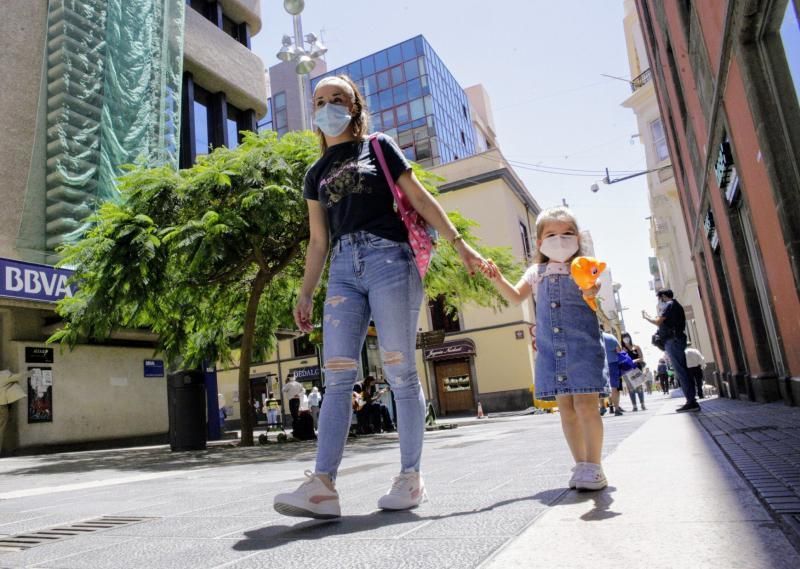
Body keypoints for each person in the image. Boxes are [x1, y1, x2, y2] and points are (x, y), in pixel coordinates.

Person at [273, 75, 492, 519]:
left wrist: (459, 243)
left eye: (338, 98)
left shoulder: (379, 146)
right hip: (342, 270)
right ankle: (322, 486)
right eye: (320, 100)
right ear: (313, 112)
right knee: (336, 377)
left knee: (400, 373)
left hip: (389, 259)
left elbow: (421, 198)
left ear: (354, 107)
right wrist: (305, 293)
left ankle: (410, 478)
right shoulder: (314, 174)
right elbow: (318, 241)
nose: (328, 105)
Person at [485, 206, 610, 491]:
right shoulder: (535, 272)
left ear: (578, 238)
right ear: (539, 243)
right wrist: (496, 278)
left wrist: (591, 289)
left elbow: (593, 286)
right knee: (566, 408)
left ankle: (595, 466)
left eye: (567, 233)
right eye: (552, 234)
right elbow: (516, 296)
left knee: (586, 405)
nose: (560, 239)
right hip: (552, 350)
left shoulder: (583, 267)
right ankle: (581, 465)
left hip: (583, 347)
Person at [643, 289, 700, 412]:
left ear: (663, 296)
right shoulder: (675, 305)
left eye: (660, 298)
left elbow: (658, 322)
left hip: (673, 341)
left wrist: (646, 317)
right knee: (682, 369)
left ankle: (691, 401)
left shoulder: (670, 305)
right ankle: (691, 400)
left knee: (681, 370)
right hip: (676, 340)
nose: (659, 301)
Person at [620, 332, 646, 411]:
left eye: (627, 336)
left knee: (639, 387)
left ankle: (642, 404)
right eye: (624, 337)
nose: (626, 338)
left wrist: (634, 360)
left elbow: (641, 358)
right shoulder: (622, 349)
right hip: (627, 370)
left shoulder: (636, 347)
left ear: (630, 337)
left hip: (636, 369)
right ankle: (634, 406)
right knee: (631, 388)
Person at [601, 329, 624, 416]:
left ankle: (602, 407)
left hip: (601, 364)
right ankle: (616, 408)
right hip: (613, 363)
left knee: (601, 386)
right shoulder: (610, 337)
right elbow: (619, 350)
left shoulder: (594, 336)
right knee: (614, 387)